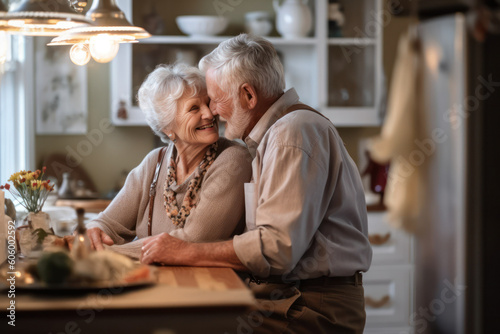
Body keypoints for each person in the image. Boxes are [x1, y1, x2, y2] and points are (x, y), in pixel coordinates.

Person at [140, 35, 372, 334]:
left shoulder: (291, 134)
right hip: (293, 299)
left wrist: (184, 251)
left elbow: (276, 249)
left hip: (311, 307)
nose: (212, 111)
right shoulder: (278, 134)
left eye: (215, 97)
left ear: (248, 95)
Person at [85, 63, 252, 259]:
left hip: (205, 284)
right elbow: (107, 223)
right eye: (194, 108)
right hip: (150, 281)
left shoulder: (233, 160)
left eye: (208, 103)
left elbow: (193, 241)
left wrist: (111, 251)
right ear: (167, 127)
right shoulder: (154, 162)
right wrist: (94, 231)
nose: (209, 114)